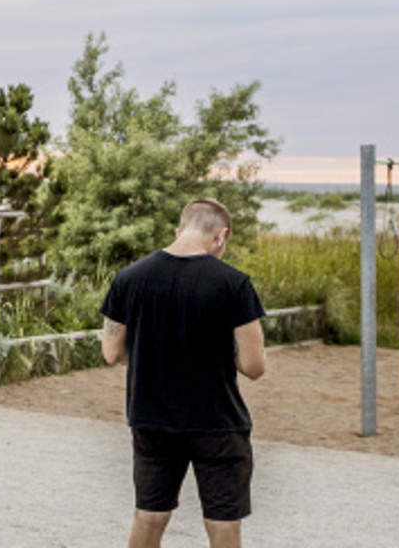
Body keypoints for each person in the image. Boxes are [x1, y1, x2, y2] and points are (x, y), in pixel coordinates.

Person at [100, 198, 268, 548]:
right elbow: (254, 367)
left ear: (179, 231)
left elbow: (112, 353)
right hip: (218, 421)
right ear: (221, 236)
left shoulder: (129, 278)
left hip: (151, 416)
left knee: (149, 516)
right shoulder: (234, 283)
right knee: (222, 522)